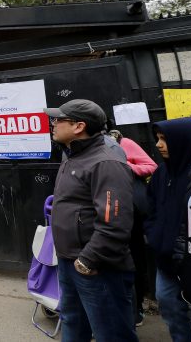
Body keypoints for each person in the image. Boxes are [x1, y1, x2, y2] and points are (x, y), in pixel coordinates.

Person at [43, 99, 136, 341]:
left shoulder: (106, 162)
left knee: (111, 332)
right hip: (69, 260)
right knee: (73, 322)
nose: (53, 124)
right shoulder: (72, 155)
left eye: (59, 119)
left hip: (95, 266)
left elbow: (115, 222)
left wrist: (87, 260)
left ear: (78, 126)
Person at [145, 117, 191, 341]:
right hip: (166, 260)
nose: (158, 145)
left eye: (164, 139)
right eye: (157, 139)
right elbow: (151, 207)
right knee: (170, 308)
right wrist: (154, 233)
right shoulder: (161, 173)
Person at [109, 129, 158, 326]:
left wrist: (124, 166)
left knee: (134, 261)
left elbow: (151, 166)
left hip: (131, 213)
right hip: (107, 212)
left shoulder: (124, 143)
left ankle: (136, 310)